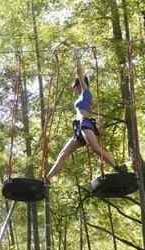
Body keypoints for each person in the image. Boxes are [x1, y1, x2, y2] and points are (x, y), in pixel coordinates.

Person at [46, 48, 119, 183]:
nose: (73, 90)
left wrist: (78, 57)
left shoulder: (86, 93)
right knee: (62, 154)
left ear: (78, 86)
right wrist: (89, 76)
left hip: (85, 124)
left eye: (74, 87)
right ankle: (46, 179)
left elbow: (80, 75)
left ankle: (118, 168)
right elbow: (85, 83)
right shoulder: (83, 95)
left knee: (96, 149)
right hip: (79, 129)